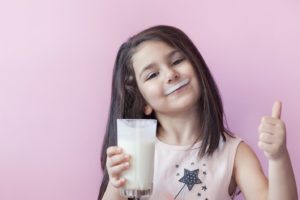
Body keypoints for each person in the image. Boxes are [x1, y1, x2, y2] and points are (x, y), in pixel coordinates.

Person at [98, 25, 298, 200]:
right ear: (143, 102)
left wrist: (279, 157)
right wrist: (116, 188)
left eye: (176, 61)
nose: (170, 74)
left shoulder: (233, 152)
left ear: (198, 68)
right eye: (152, 74)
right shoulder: (135, 153)